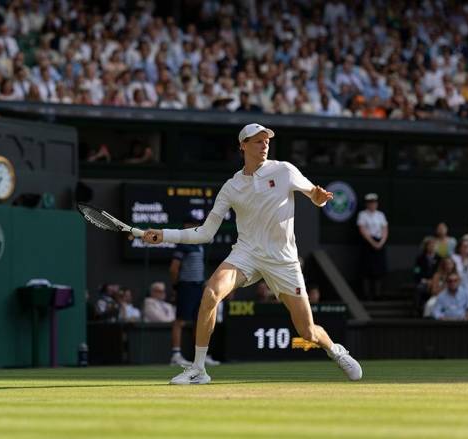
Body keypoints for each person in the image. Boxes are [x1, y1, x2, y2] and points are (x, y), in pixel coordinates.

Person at [139, 123, 361, 384]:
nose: (264, 144)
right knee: (211, 293)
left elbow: (314, 194)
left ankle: (336, 351)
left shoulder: (284, 170)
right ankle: (198, 369)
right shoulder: (231, 187)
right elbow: (204, 233)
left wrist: (319, 197)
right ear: (243, 146)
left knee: (307, 331)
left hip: (283, 260)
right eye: (257, 141)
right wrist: (164, 235)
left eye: (266, 140)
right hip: (247, 253)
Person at [169, 213, 219, 367]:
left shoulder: (199, 244)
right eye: (192, 224)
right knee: (180, 321)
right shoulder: (182, 244)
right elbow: (174, 268)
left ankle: (201, 356)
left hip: (199, 287)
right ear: (186, 226)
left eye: (197, 224)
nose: (196, 227)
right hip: (186, 286)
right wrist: (177, 286)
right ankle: (176, 355)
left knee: (201, 321)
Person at [357, 193, 388, 299]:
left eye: (374, 203)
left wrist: (381, 242)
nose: (372, 205)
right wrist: (372, 242)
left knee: (378, 270)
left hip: (379, 243)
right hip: (368, 243)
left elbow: (385, 229)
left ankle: (377, 294)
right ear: (367, 204)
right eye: (370, 203)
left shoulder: (381, 215)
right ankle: (366, 294)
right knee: (366, 269)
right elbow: (362, 230)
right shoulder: (362, 215)